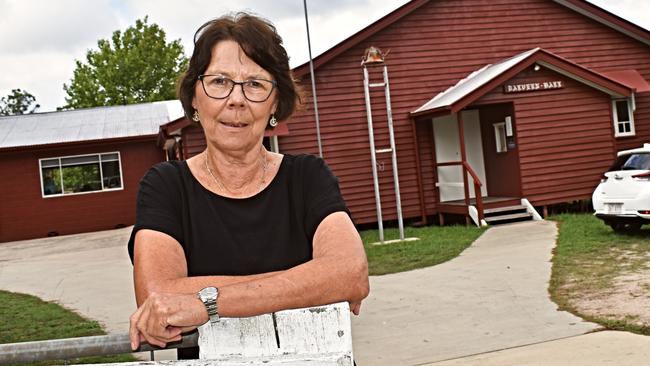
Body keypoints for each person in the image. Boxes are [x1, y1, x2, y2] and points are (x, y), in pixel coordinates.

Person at [127, 12, 370, 359]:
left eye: (255, 84)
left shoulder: (307, 177)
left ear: (275, 104)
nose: (237, 99)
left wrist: (205, 302)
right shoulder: (166, 186)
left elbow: (351, 274)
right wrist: (313, 282)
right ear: (195, 98)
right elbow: (158, 297)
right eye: (220, 82)